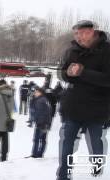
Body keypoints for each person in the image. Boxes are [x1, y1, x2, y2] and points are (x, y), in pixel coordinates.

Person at [56, 20, 110, 180]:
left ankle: (97, 168)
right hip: (73, 106)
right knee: (66, 143)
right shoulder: (72, 50)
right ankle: (64, 174)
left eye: (81, 33)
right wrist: (68, 74)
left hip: (97, 108)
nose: (78, 37)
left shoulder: (107, 50)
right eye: (76, 34)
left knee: (96, 144)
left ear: (91, 32)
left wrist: (83, 72)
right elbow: (61, 72)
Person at [28, 87, 52, 158]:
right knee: (43, 139)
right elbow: (49, 111)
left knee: (37, 139)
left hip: (41, 123)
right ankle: (40, 153)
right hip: (45, 122)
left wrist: (37, 121)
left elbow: (39, 112)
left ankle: (35, 154)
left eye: (36, 92)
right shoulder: (44, 99)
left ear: (40, 92)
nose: (35, 93)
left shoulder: (40, 100)